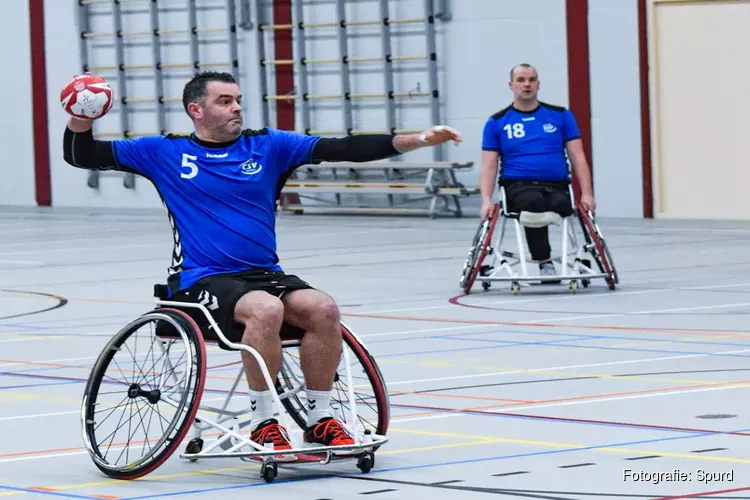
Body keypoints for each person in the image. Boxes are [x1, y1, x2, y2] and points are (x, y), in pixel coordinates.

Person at [62, 71, 462, 455]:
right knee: (265, 309)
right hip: (200, 280)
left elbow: (341, 147)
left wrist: (419, 140)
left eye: (238, 100)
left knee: (323, 308)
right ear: (196, 110)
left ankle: (321, 417)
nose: (237, 108)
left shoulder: (268, 146)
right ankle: (265, 421)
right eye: (225, 101)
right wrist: (82, 118)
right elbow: (82, 155)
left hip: (264, 274)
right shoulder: (163, 152)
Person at [479, 63, 595, 283]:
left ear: (538, 84)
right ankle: (544, 261)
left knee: (562, 204)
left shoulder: (560, 116)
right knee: (533, 201)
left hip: (556, 184)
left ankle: (565, 256)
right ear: (511, 85)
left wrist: (587, 193)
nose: (527, 84)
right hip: (518, 186)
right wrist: (486, 200)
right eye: (521, 80)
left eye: (531, 80)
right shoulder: (496, 122)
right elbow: (489, 165)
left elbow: (578, 157)